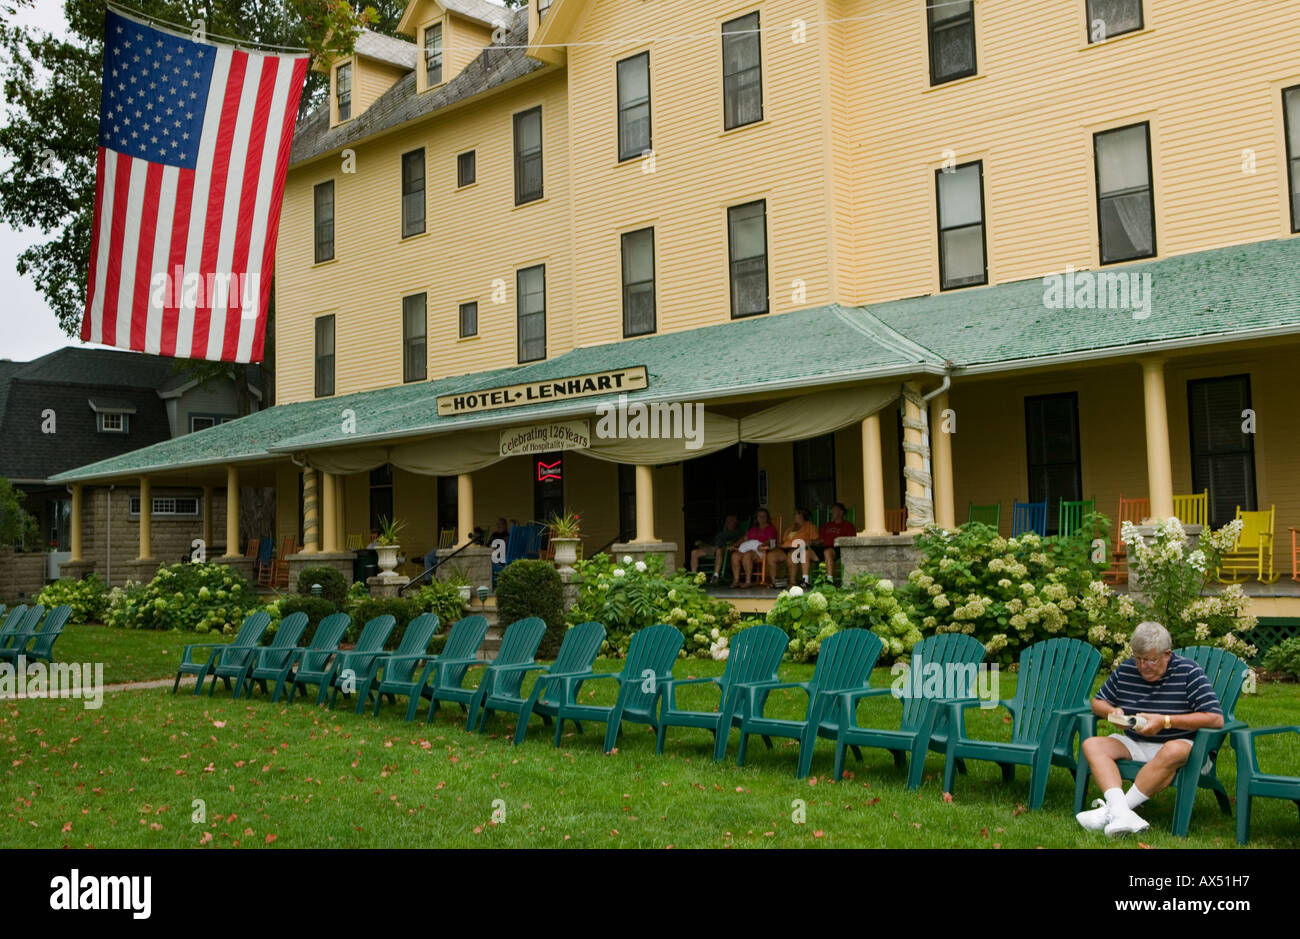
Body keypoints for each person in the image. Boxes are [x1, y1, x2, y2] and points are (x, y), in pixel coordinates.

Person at [1075, 621, 1224, 837]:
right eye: (1139, 659)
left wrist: (1165, 721)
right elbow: (1097, 702)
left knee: (1173, 750)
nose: (1144, 666)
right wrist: (1113, 712)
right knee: (1092, 745)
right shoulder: (1126, 669)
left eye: (1151, 660)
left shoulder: (1189, 672)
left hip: (1182, 746)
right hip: (1134, 741)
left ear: (1167, 654)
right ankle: (1120, 813)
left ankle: (1112, 812)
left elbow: (1215, 718)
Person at [766, 508, 819, 588]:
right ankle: (774, 583)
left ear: (804, 516)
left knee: (792, 554)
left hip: (800, 549)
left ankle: (792, 581)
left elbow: (815, 540)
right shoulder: (791, 528)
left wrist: (808, 543)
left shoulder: (810, 527)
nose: (795, 516)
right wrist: (780, 545)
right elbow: (784, 540)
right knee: (771, 555)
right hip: (786, 548)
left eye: (797, 514)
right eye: (795, 514)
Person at [730, 508, 778, 587]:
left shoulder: (771, 528)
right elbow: (744, 538)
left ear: (767, 518)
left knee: (747, 555)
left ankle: (748, 581)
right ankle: (736, 581)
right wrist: (735, 545)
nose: (762, 518)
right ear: (757, 518)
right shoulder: (753, 529)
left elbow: (771, 540)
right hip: (749, 548)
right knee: (734, 555)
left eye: (764, 516)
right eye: (760, 516)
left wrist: (763, 545)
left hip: (761, 550)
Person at [690, 514, 743, 582]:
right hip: (712, 547)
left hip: (725, 550)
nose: (729, 522)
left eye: (731, 521)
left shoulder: (738, 533)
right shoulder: (721, 533)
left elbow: (738, 542)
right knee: (694, 552)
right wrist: (704, 543)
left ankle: (715, 575)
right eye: (728, 521)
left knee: (718, 549)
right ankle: (694, 576)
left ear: (736, 522)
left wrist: (732, 545)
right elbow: (711, 542)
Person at [818, 502, 858, 581]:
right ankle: (805, 580)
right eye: (831, 511)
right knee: (806, 553)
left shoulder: (848, 525)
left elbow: (851, 540)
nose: (831, 512)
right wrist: (811, 542)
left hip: (838, 549)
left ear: (841, 512)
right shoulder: (827, 525)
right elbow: (821, 540)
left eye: (834, 510)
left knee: (827, 552)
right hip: (824, 547)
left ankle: (829, 580)